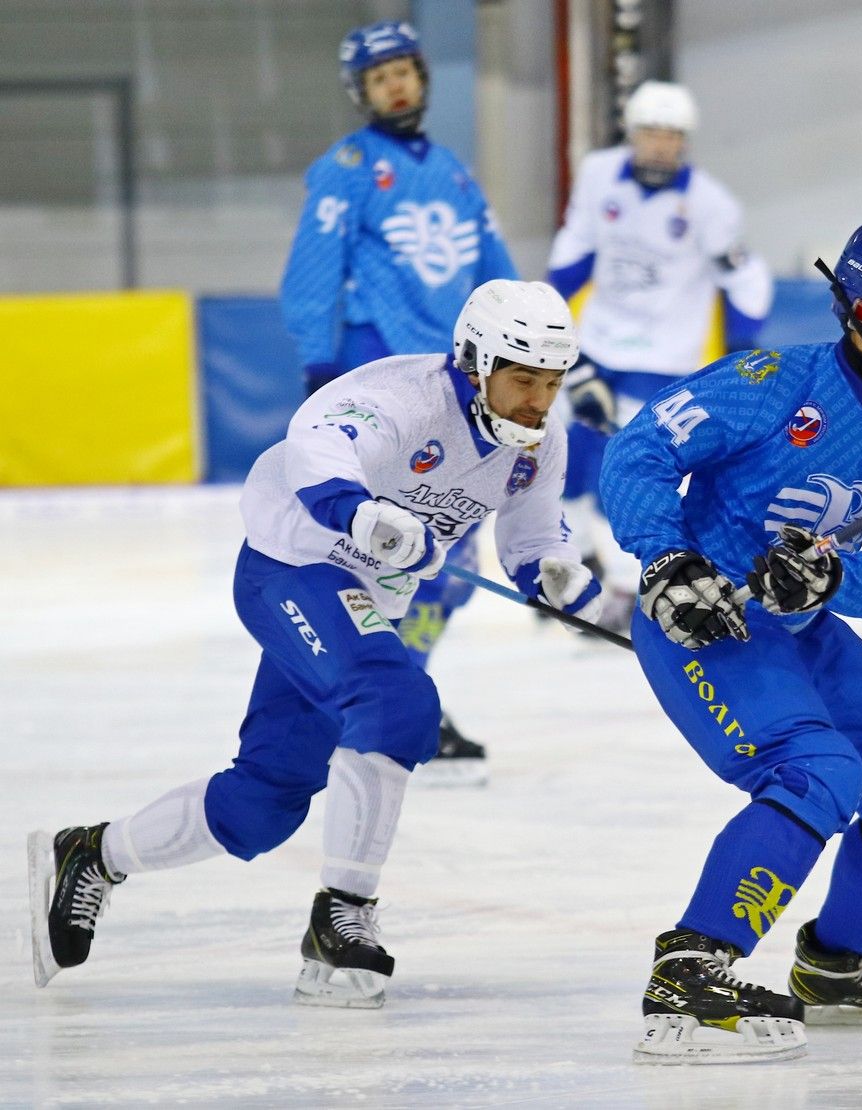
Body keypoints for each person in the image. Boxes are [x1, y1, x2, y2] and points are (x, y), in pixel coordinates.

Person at [28, 280, 600, 1007]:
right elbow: (318, 444)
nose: (538, 400)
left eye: (552, 382)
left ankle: (92, 855)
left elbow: (532, 537)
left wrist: (554, 574)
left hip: (364, 600)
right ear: (472, 360)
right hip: (291, 567)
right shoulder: (407, 397)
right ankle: (342, 915)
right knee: (396, 702)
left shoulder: (539, 442)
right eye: (522, 379)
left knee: (263, 803)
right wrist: (359, 515)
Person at [599, 218, 862, 1063]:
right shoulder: (770, 382)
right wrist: (667, 558)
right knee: (820, 771)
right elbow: (639, 449)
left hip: (806, 632)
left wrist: (836, 580)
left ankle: (836, 965)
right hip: (708, 620)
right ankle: (692, 968)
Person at [280, 19, 522, 783]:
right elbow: (311, 274)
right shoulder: (345, 168)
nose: (397, 85)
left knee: (447, 558)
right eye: (380, 75)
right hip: (382, 377)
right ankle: (375, 696)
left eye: (406, 70)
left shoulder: (452, 170)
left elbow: (496, 267)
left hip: (461, 382)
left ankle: (396, 689)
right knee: (373, 553)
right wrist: (322, 369)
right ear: (361, 90)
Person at [547, 79, 773, 630]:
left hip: (664, 358)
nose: (658, 146)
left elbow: (746, 279)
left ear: (684, 142)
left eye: (670, 136)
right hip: (599, 341)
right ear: (632, 134)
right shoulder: (600, 174)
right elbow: (574, 252)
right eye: (650, 133)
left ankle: (628, 584)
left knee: (628, 466)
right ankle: (580, 557)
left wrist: (742, 350)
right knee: (562, 457)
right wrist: (552, 318)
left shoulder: (710, 205)